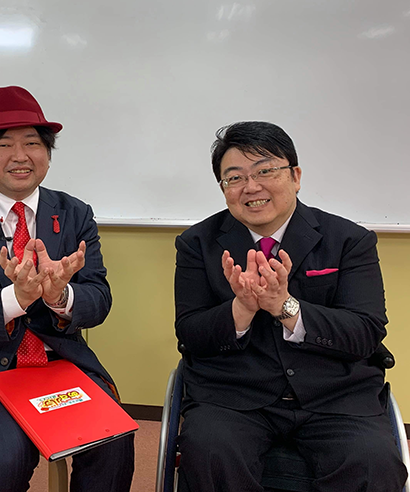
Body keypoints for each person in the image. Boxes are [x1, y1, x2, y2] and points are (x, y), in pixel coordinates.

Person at [0, 86, 134, 492]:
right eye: (3, 145)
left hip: (57, 363)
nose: (20, 156)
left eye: (32, 143)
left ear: (47, 152)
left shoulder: (74, 212)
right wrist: (16, 299)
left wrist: (59, 297)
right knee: (6, 454)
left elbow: (98, 299)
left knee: (112, 437)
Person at [174, 121, 407, 491]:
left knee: (372, 463)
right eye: (234, 178)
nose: (251, 187)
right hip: (234, 396)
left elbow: (365, 332)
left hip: (334, 394)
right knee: (210, 452)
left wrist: (285, 307)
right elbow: (190, 333)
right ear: (223, 188)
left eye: (265, 171)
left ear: (295, 176)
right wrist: (242, 309)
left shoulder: (349, 240)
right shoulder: (197, 244)